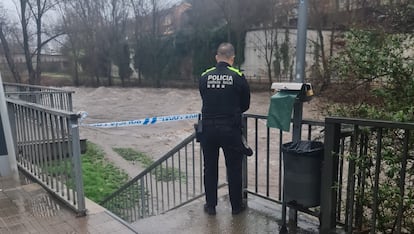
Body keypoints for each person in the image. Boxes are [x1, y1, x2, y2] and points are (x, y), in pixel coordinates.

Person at [198, 42, 251, 215]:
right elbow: (246, 104)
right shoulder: (237, 76)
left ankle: (211, 206)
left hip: (207, 129)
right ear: (232, 58)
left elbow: (204, 97)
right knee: (234, 168)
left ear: (216, 57)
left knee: (210, 168)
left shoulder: (205, 76)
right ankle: (236, 207)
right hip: (230, 129)